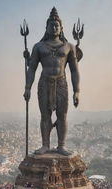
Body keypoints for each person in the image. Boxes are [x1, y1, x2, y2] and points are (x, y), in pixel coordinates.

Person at [23, 7, 80, 156]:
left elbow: (74, 70)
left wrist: (77, 91)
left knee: (62, 115)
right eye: (51, 25)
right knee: (45, 115)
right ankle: (45, 145)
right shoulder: (39, 47)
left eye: (57, 25)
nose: (54, 27)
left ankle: (61, 145)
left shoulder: (69, 47)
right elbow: (32, 68)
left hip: (61, 82)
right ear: (46, 27)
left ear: (61, 28)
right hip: (44, 83)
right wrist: (27, 87)